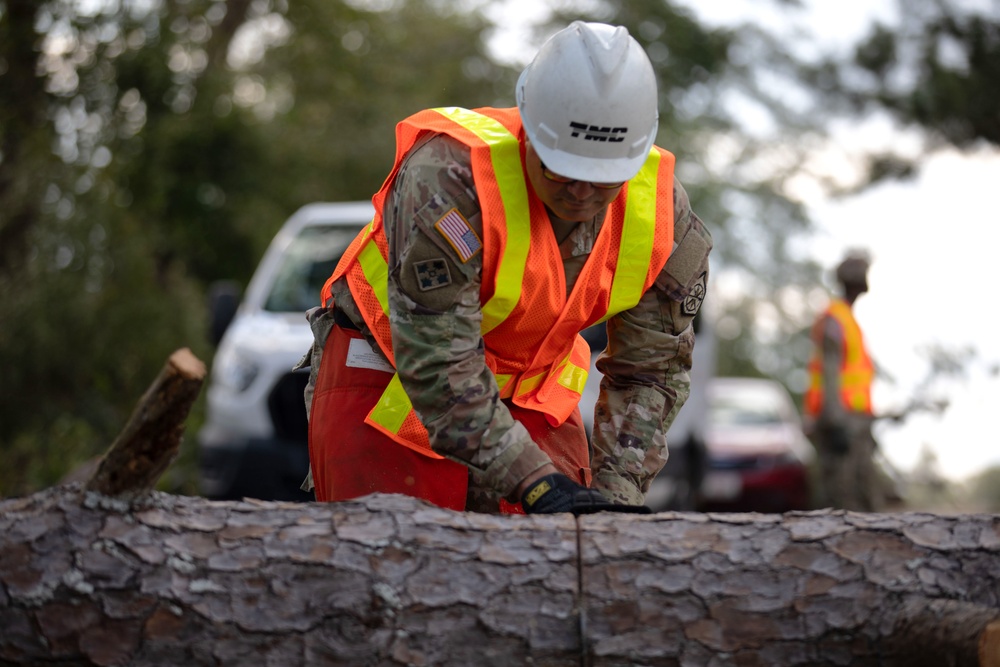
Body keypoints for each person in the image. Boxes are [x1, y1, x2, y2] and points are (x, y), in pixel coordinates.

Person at [301, 21, 713, 515]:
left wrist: (613, 500)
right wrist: (536, 483)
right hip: (389, 381)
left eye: (601, 179)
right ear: (531, 133)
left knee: (562, 566)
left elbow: (651, 373)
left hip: (533, 399)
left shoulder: (662, 216)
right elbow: (437, 360)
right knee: (387, 569)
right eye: (561, 169)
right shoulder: (450, 178)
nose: (580, 193)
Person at [803, 251, 883, 511]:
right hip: (840, 419)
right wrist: (836, 423)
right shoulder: (835, 320)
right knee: (841, 499)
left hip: (855, 419)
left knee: (861, 493)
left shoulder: (847, 319)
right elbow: (829, 373)